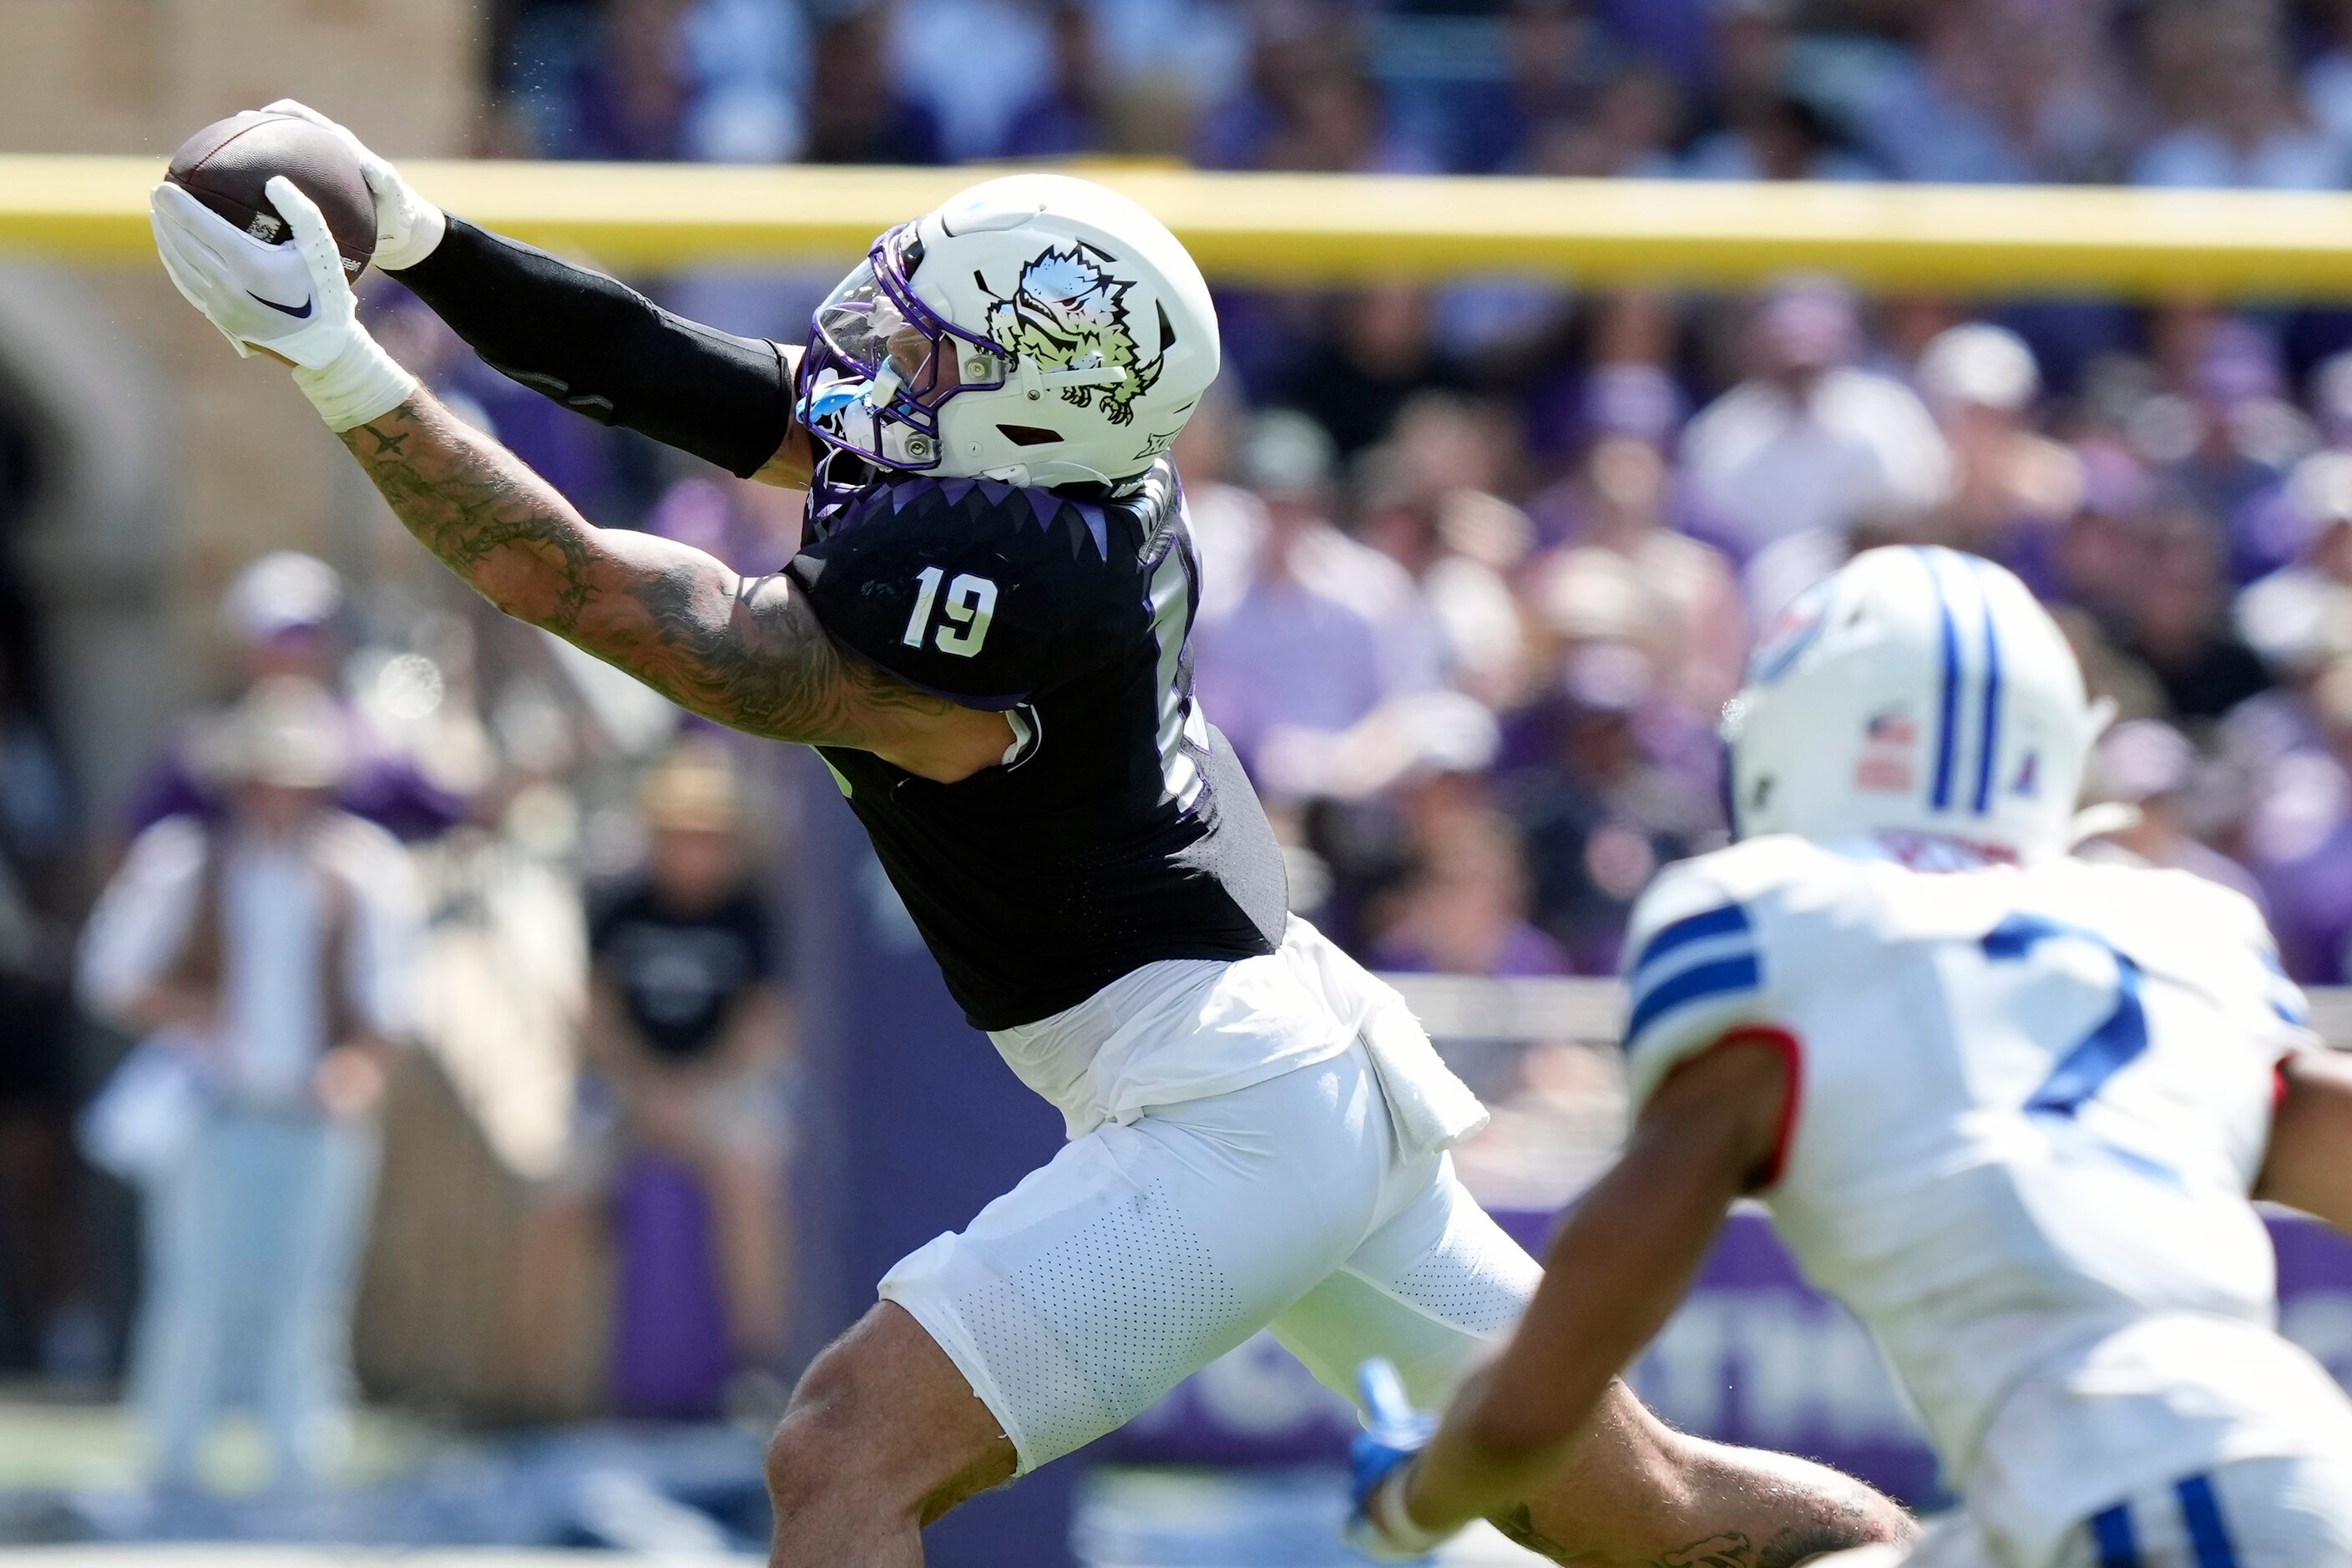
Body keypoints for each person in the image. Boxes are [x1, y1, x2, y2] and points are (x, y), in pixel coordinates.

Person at [146, 106, 1911, 1564]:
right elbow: (692, 382)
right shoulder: (1050, 465)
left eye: (927, 344)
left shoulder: (997, 572)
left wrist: (333, 364)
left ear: (1025, 399)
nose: (867, 357)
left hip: (1220, 1101)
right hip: (1288, 1058)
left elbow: (610, 600)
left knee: (840, 1456)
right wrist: (420, 234)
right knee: (1654, 1514)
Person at [1348, 547, 2352, 1565]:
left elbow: (1542, 1400)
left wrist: (1411, 1502)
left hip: (2141, 1495)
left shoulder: (1771, 923)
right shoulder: (2179, 926)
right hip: (2272, 1465)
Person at [78, 677, 421, 1490]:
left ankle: (299, 1468)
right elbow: (109, 973)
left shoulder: (361, 868)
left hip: (315, 1115)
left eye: (293, 776)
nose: (278, 793)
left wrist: (357, 1070)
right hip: (212, 1110)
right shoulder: (185, 862)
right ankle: (170, 1466)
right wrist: (191, 1013)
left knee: (308, 1299)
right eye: (265, 774)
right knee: (193, 1292)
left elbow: (393, 1004)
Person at [584, 740, 792, 1374]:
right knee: (555, 1195)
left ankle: (758, 1364)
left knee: (751, 1174)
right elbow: (597, 1017)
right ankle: (538, 1388)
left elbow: (767, 1030)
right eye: (682, 834)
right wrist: (646, 1090)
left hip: (719, 1091)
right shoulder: (620, 905)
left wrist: (692, 1092)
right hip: (630, 1091)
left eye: (710, 837)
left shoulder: (753, 913)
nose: (696, 851)